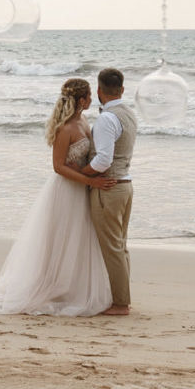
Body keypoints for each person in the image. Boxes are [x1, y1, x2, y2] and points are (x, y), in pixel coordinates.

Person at [0, 77, 113, 317]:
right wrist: (90, 181)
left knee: (78, 238)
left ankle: (72, 287)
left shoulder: (84, 120)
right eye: (88, 96)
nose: (91, 99)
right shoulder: (65, 128)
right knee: (59, 239)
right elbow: (58, 166)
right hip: (67, 190)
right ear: (81, 100)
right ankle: (51, 288)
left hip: (82, 189)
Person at [82, 67, 137, 315]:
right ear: (122, 89)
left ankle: (121, 303)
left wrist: (83, 174)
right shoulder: (129, 113)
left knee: (113, 247)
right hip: (125, 185)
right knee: (120, 245)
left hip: (109, 188)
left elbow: (103, 160)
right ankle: (122, 297)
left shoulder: (106, 118)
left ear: (99, 90)